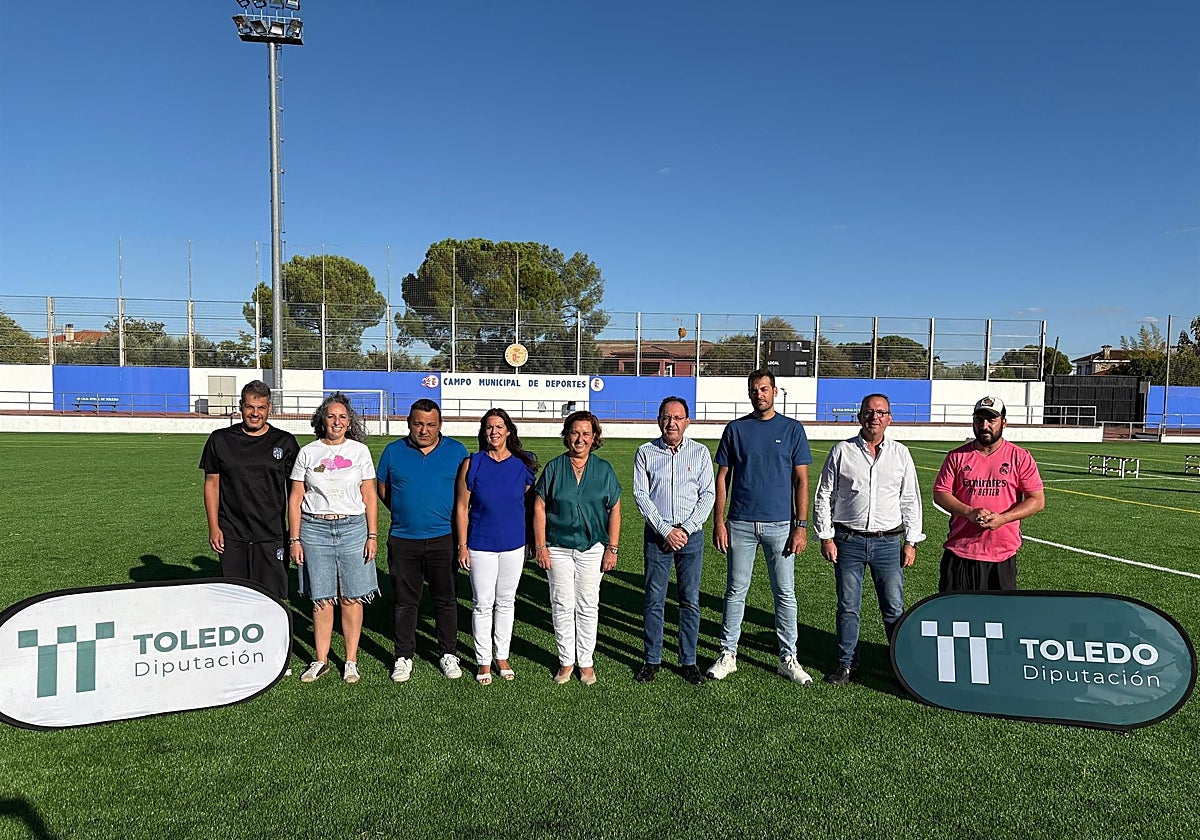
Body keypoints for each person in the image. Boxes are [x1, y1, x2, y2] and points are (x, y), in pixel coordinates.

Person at [707, 369, 815, 685]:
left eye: (765, 389)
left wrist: (801, 525)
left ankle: (788, 657)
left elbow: (802, 481)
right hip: (739, 524)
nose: (760, 394)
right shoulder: (736, 429)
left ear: (775, 391)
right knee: (735, 591)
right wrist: (719, 521)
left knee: (784, 593)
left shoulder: (793, 429)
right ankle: (728, 654)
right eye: (755, 390)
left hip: (781, 526)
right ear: (749, 393)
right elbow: (722, 478)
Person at [813, 393, 924, 686]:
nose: (874, 417)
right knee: (848, 606)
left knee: (894, 607)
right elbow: (823, 495)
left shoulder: (901, 454)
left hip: (888, 544)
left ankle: (902, 667)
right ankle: (846, 665)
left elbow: (910, 499)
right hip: (847, 540)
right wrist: (826, 536)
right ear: (859, 416)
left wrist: (911, 541)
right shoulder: (842, 451)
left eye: (880, 412)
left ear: (889, 418)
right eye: (869, 412)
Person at [287, 393, 379, 684]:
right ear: (322, 420)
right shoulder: (308, 453)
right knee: (321, 599)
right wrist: (295, 539)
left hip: (353, 528)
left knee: (351, 597)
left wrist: (372, 535)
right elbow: (296, 498)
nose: (336, 422)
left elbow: (369, 496)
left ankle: (350, 661)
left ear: (349, 421)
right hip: (314, 530)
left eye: (342, 417)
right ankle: (321, 659)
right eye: (331, 416)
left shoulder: (359, 453)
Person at [377, 399, 469, 682]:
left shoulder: (456, 451)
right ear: (409, 423)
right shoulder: (393, 452)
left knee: (446, 599)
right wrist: (406, 513)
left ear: (440, 424)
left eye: (430, 424)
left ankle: (448, 653)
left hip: (444, 538)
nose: (424, 430)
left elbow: (464, 495)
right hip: (404, 539)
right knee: (405, 601)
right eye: (418, 423)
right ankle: (403, 656)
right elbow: (383, 490)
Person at [532, 410, 622, 686]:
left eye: (586, 433)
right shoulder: (555, 467)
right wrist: (540, 546)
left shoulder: (603, 469)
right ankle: (565, 661)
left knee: (587, 604)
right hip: (557, 546)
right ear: (566, 435)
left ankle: (586, 662)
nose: (579, 438)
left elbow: (615, 508)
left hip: (592, 547)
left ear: (594, 437)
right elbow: (539, 506)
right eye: (574, 432)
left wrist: (612, 548)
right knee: (561, 603)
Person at [631, 396, 715, 685]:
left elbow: (708, 495)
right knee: (654, 599)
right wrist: (665, 530)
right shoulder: (645, 452)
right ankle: (652, 659)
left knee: (689, 600)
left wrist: (686, 529)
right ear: (658, 420)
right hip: (658, 536)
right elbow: (641, 495)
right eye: (667, 417)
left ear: (687, 422)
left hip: (691, 537)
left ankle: (688, 660)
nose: (672, 423)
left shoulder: (701, 453)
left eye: (678, 418)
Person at [453, 409, 537, 685]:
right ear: (483, 432)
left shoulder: (523, 465)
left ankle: (502, 655)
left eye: (499, 426)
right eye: (489, 427)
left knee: (506, 602)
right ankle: (483, 661)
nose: (494, 432)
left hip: (514, 544)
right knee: (482, 604)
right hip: (480, 544)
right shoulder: (472, 463)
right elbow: (462, 507)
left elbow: (527, 504)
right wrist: (462, 545)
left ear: (509, 431)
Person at [199, 380, 299, 601]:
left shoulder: (285, 442)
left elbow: (296, 494)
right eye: (250, 407)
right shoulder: (220, 439)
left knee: (272, 600)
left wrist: (295, 535)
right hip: (232, 534)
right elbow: (211, 484)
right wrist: (214, 527)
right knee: (234, 599)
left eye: (261, 408)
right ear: (241, 406)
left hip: (272, 535)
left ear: (269, 408)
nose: (255, 413)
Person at [933, 396, 1045, 591]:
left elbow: (1037, 500)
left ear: (1004, 422)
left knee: (1000, 618)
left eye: (991, 420)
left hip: (1002, 554)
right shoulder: (956, 456)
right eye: (979, 420)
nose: (984, 425)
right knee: (956, 617)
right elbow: (940, 493)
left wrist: (1004, 518)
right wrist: (968, 512)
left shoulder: (1020, 456)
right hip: (960, 551)